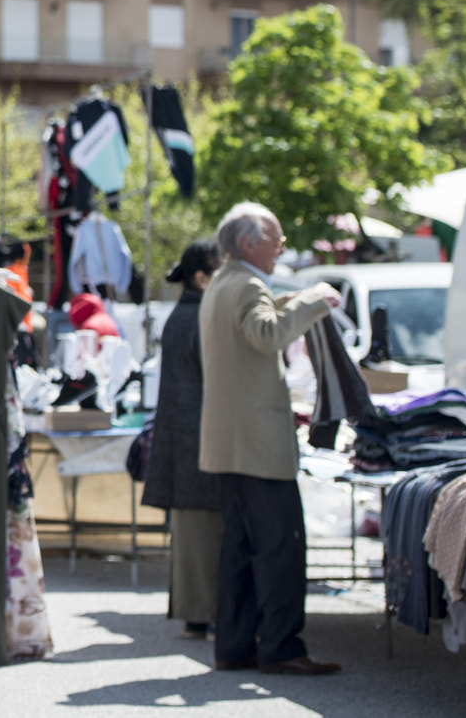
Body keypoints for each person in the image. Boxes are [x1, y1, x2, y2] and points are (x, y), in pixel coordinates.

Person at [199, 202, 342, 676]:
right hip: (257, 443)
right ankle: (282, 646)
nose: (281, 249)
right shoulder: (246, 284)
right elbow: (265, 333)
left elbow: (252, 329)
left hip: (230, 443)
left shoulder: (222, 284)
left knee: (239, 550)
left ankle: (235, 646)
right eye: (275, 240)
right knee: (281, 545)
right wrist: (315, 298)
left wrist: (294, 299)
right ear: (249, 243)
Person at [142, 240, 223, 641]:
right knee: (202, 537)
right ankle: (201, 615)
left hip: (185, 440)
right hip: (197, 442)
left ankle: (196, 615)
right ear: (201, 277)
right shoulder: (197, 316)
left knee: (194, 538)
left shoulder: (184, 314)